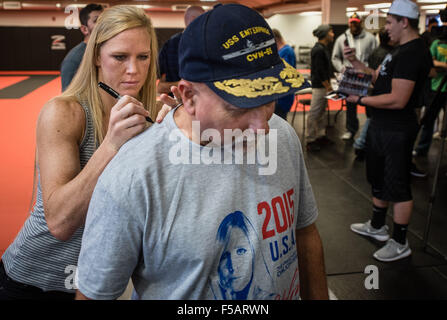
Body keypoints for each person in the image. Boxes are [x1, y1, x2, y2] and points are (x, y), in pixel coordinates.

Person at [75, 3, 328, 300]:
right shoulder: (132, 176)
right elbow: (94, 295)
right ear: (189, 97)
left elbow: (305, 233)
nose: (262, 128)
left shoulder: (282, 135)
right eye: (239, 107)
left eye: (268, 100)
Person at [0, 5, 160, 300]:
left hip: (97, 284)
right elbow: (60, 222)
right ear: (97, 56)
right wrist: (112, 144)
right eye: (120, 57)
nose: (133, 70)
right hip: (36, 280)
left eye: (143, 57)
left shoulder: (151, 116)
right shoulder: (65, 113)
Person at [345, 0, 432, 262]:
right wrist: (356, 63)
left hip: (397, 128)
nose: (387, 28)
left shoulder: (413, 53)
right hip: (381, 126)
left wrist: (359, 101)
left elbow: (398, 99)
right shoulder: (398, 51)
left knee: (398, 184)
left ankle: (400, 241)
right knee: (378, 176)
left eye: (391, 22)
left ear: (404, 22)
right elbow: (379, 78)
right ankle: (377, 226)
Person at [332, 12, 377, 141]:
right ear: (349, 23)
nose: (354, 25)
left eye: (356, 23)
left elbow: (375, 56)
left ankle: (369, 130)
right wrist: (342, 69)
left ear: (361, 23)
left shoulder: (370, 38)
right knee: (350, 104)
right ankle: (351, 130)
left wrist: (371, 72)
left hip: (365, 75)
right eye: (352, 23)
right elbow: (335, 57)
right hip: (349, 76)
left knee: (369, 104)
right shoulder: (342, 38)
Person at [353, 27, 394, 160]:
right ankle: (360, 144)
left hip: (372, 90)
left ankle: (362, 144)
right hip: (378, 92)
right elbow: (376, 75)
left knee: (372, 119)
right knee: (372, 119)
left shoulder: (376, 52)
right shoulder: (388, 55)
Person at [413, 15, 447, 158]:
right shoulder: (437, 44)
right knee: (428, 120)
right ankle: (421, 149)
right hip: (436, 87)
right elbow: (430, 62)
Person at [157, 6, 205, 95]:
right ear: (194, 20)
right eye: (204, 20)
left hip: (175, 103)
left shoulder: (168, 44)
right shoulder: (206, 44)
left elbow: (157, 76)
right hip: (198, 100)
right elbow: (159, 86)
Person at [60, 3, 103, 92]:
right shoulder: (73, 59)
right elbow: (67, 96)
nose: (102, 24)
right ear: (84, 29)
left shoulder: (106, 51)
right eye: (97, 20)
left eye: (104, 20)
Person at [306, 24, 334, 152]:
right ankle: (310, 139)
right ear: (325, 34)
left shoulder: (323, 48)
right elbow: (319, 71)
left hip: (324, 86)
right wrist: (328, 86)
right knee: (314, 113)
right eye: (331, 32)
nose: (333, 34)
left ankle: (321, 135)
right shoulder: (318, 50)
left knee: (322, 112)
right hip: (320, 86)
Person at [272, 28, 297, 120]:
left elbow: (283, 74)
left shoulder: (286, 51)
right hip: (279, 94)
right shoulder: (281, 51)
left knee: (279, 122)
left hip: (283, 96)